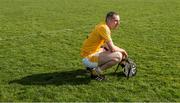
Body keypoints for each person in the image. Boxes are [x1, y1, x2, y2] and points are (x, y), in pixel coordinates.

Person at [80, 11, 128, 80]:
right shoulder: (104, 28)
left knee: (108, 49)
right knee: (118, 56)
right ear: (108, 20)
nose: (118, 23)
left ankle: (91, 68)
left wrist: (121, 50)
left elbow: (107, 46)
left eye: (119, 21)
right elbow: (112, 49)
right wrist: (123, 51)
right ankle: (95, 72)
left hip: (88, 54)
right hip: (88, 58)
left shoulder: (102, 25)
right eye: (116, 21)